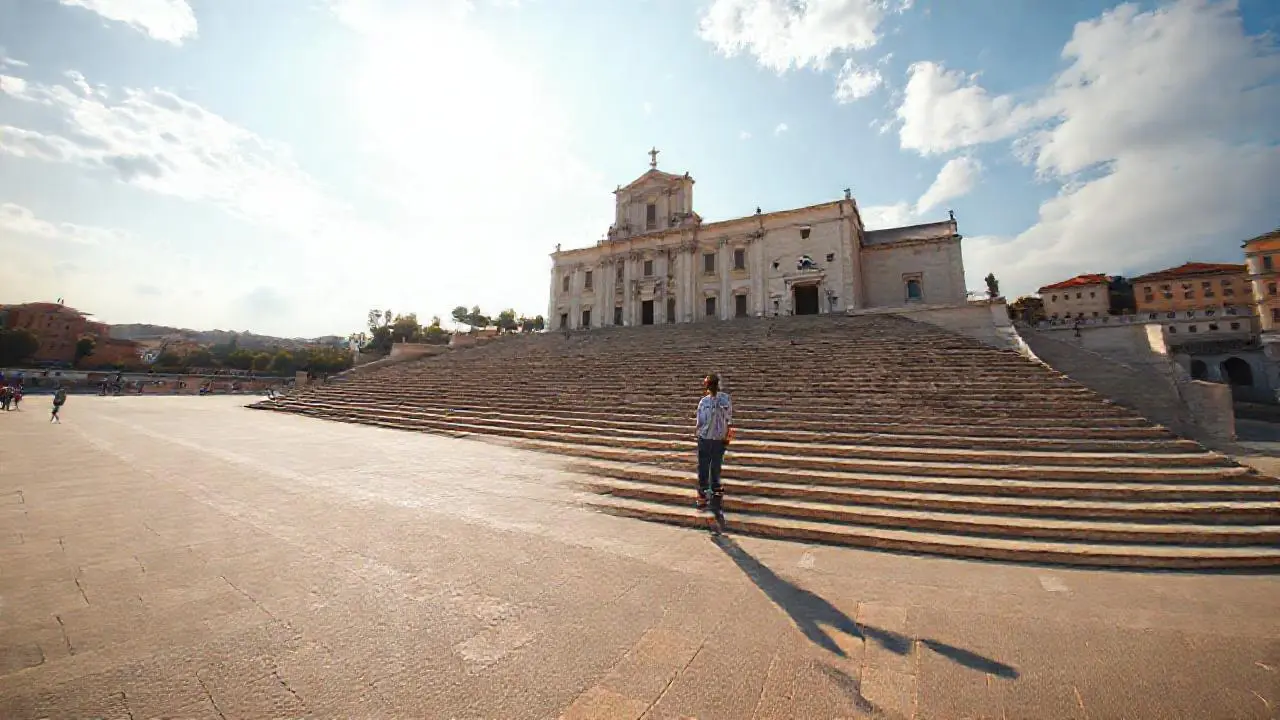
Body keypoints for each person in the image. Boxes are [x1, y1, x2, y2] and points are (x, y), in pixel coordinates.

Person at [695, 373, 733, 513]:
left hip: (719, 438)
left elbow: (729, 419)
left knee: (716, 465)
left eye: (710, 384)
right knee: (703, 466)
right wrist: (697, 434)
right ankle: (703, 492)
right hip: (705, 438)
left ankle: (715, 488)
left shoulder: (725, 399)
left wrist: (728, 435)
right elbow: (699, 421)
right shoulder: (703, 402)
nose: (708, 386)